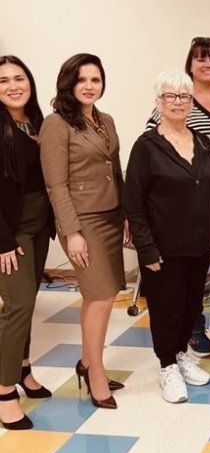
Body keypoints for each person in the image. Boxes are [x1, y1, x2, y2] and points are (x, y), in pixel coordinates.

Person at [145, 37, 210, 358]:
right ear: (190, 64)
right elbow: (152, 147)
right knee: (194, 273)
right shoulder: (178, 100)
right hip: (192, 210)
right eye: (201, 59)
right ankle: (195, 329)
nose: (208, 64)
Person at [125, 70, 210, 403]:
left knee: (190, 306)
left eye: (184, 96)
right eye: (171, 96)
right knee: (166, 310)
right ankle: (166, 366)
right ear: (158, 102)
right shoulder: (146, 146)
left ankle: (181, 355)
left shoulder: (203, 142)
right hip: (162, 249)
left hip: (198, 245)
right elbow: (133, 203)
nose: (178, 102)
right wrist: (146, 249)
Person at [39, 53, 127, 409]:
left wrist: (125, 216)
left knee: (99, 296)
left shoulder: (104, 118)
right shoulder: (57, 124)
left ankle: (88, 361)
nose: (90, 86)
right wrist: (71, 232)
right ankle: (95, 373)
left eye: (96, 79)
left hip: (109, 215)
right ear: (68, 83)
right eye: (82, 80)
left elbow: (115, 169)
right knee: (102, 295)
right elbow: (55, 185)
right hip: (82, 220)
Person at [0, 56, 54, 430]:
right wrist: (1, 241)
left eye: (19, 78)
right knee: (16, 307)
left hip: (39, 225)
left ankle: (23, 369)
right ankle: (4, 393)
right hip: (10, 230)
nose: (13, 85)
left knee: (29, 301)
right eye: (3, 81)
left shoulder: (36, 123)